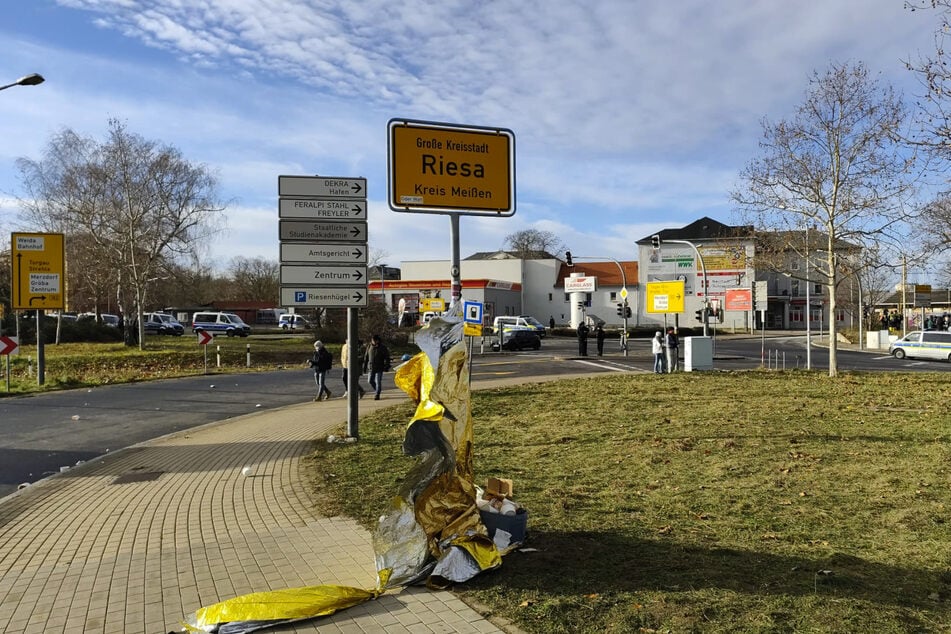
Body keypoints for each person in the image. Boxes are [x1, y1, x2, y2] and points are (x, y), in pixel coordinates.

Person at [362, 334, 391, 400]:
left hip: (379, 367)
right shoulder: (369, 346)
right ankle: (377, 390)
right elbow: (366, 357)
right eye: (373, 341)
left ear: (378, 341)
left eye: (375, 341)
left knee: (378, 381)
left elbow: (387, 357)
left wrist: (387, 366)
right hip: (371, 367)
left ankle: (377, 394)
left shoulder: (382, 347)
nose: (374, 342)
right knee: (370, 381)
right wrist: (364, 367)